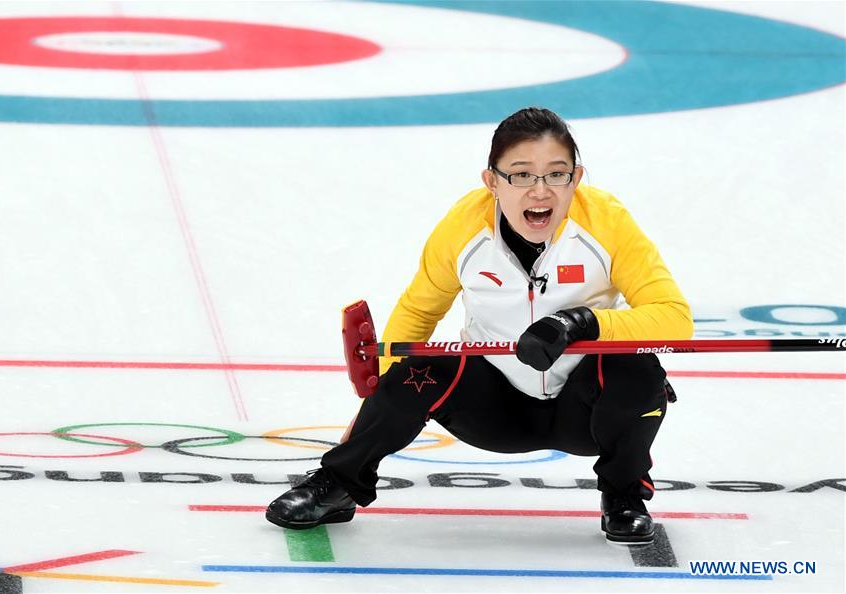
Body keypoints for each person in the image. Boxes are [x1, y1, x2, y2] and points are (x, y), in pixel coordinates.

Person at [266, 107, 693, 545]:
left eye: (557, 174)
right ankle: (339, 483)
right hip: (494, 410)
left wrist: (582, 322)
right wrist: (382, 397)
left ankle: (623, 495)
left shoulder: (607, 222)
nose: (540, 191)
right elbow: (417, 315)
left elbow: (674, 318)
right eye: (522, 175)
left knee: (637, 366)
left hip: (585, 414)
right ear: (492, 181)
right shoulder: (464, 227)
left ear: (576, 178)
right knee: (420, 366)